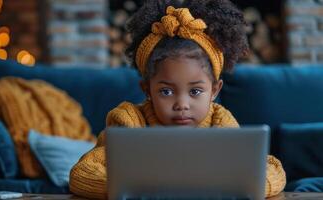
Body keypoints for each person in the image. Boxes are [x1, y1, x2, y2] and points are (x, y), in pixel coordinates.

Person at [69, 0, 286, 199]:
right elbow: (81, 174)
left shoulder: (220, 123)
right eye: (166, 91)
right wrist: (137, 187)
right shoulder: (129, 121)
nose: (182, 104)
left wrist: (254, 184)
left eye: (195, 92)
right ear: (147, 89)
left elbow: (271, 169)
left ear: (214, 91)